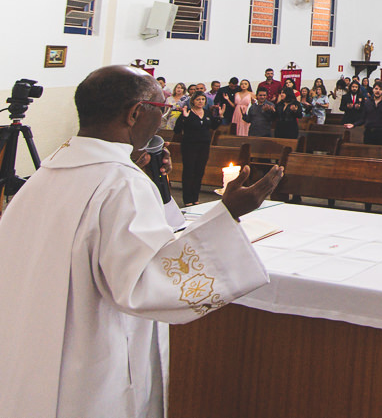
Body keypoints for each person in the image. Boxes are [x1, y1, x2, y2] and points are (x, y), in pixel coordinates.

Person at [0, 65, 283, 418]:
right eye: (163, 110)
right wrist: (228, 214)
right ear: (135, 113)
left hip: (27, 348)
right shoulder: (120, 183)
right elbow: (145, 284)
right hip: (86, 362)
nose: (164, 120)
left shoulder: (50, 171)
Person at [172, 92, 223, 206]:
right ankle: (187, 199)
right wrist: (184, 118)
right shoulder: (188, 113)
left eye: (203, 99)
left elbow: (213, 126)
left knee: (199, 172)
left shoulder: (207, 113)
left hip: (204, 146)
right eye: (198, 99)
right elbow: (177, 130)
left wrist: (219, 117)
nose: (201, 101)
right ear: (193, 101)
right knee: (189, 171)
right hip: (189, 145)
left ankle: (195, 197)